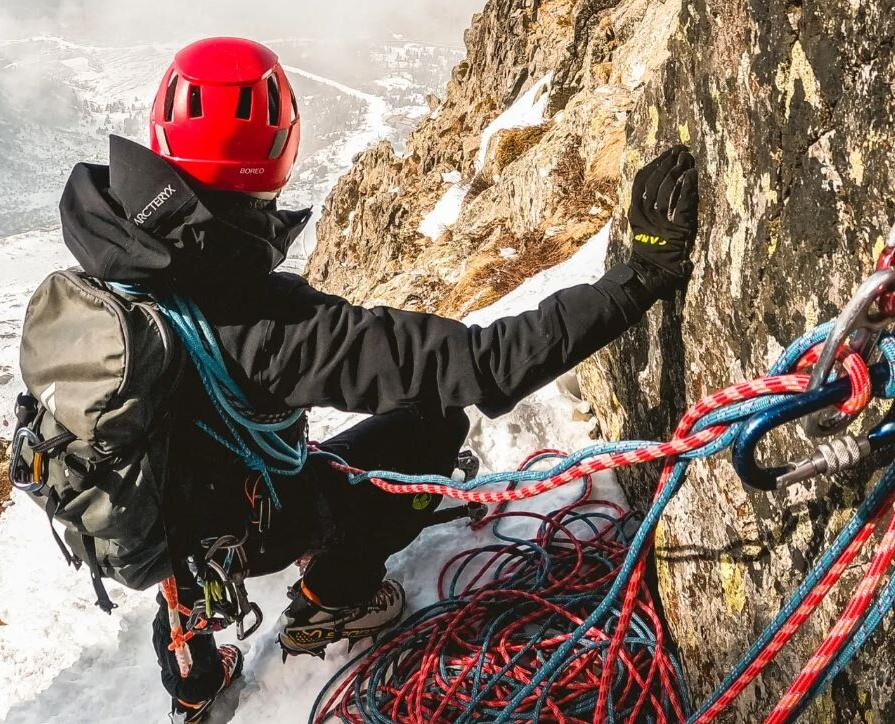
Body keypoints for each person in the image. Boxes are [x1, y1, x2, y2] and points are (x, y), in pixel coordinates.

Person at [54, 37, 698, 723]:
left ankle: (192, 678)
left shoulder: (104, 259)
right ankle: (336, 597)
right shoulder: (271, 329)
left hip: (148, 516)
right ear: (280, 154)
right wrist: (639, 279)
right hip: (249, 522)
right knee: (434, 422)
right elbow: (478, 364)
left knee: (190, 532)